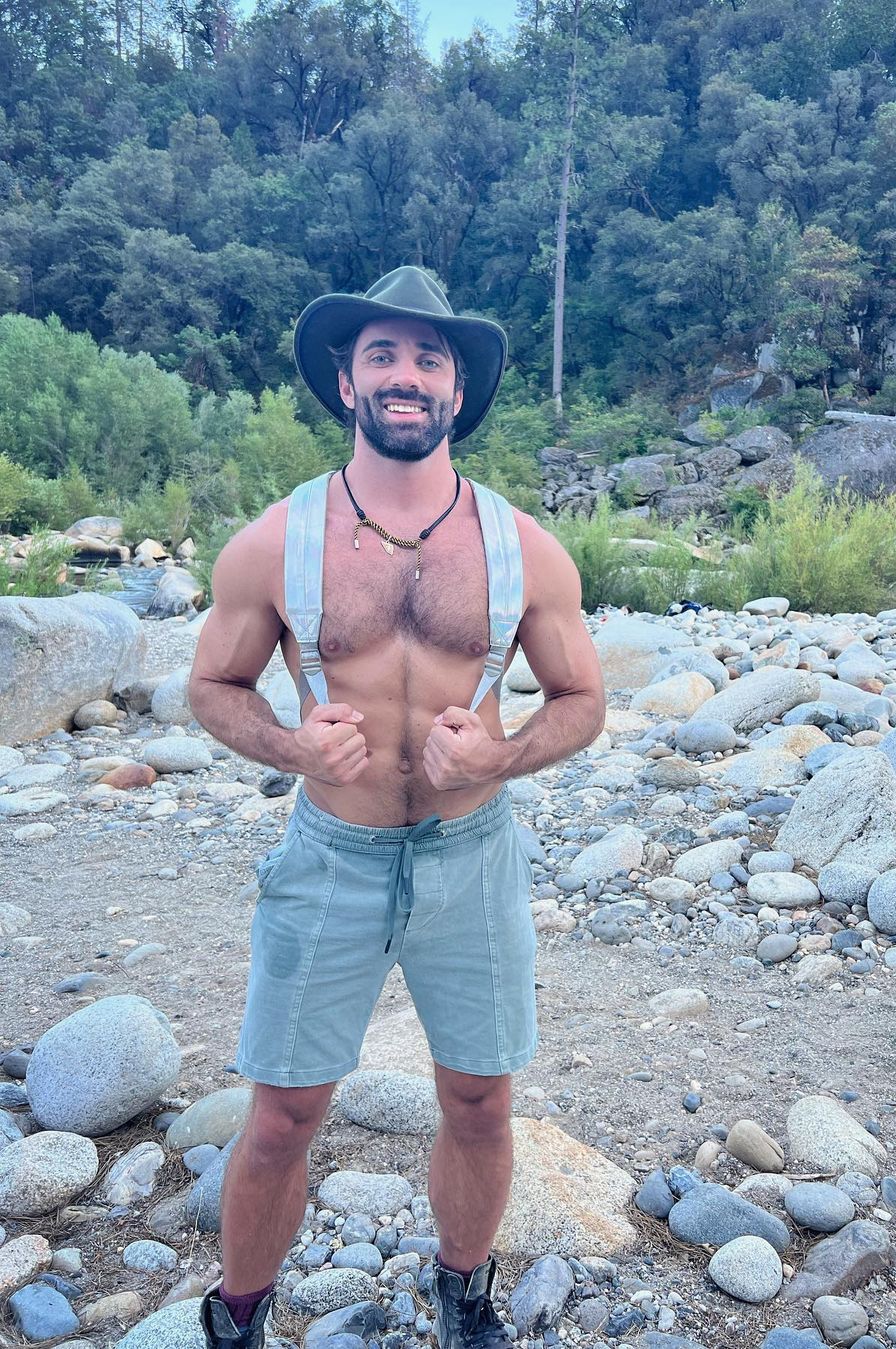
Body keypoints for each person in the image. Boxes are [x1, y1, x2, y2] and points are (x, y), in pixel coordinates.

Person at [187, 266, 606, 1349]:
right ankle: (237, 1318)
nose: (405, 375)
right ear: (347, 382)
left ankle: (465, 1298)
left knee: (479, 1100)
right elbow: (212, 684)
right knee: (283, 1112)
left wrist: (501, 755)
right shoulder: (275, 540)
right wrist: (290, 745)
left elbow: (584, 699)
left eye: (428, 357)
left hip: (474, 855)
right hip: (331, 854)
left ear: (457, 390)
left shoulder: (525, 548)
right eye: (382, 354)